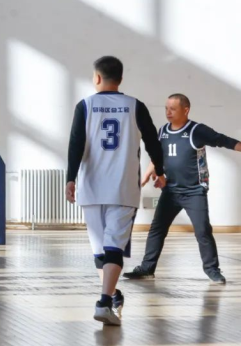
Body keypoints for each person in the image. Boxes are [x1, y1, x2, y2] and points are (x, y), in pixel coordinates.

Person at [66, 56, 165, 326]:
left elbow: (75, 144)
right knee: (113, 249)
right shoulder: (135, 105)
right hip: (123, 188)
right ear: (120, 79)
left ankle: (111, 296)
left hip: (91, 188)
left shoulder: (85, 105)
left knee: (101, 251)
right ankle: (105, 301)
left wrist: (70, 179)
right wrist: (159, 170)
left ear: (97, 77)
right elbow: (153, 142)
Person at [124, 93, 241, 284]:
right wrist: (146, 176)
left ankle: (212, 270)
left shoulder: (197, 130)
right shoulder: (163, 131)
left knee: (202, 231)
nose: (168, 112)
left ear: (185, 110)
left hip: (194, 191)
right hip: (170, 191)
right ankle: (147, 268)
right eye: (166, 108)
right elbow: (157, 157)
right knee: (157, 229)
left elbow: (222, 140)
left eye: (173, 109)